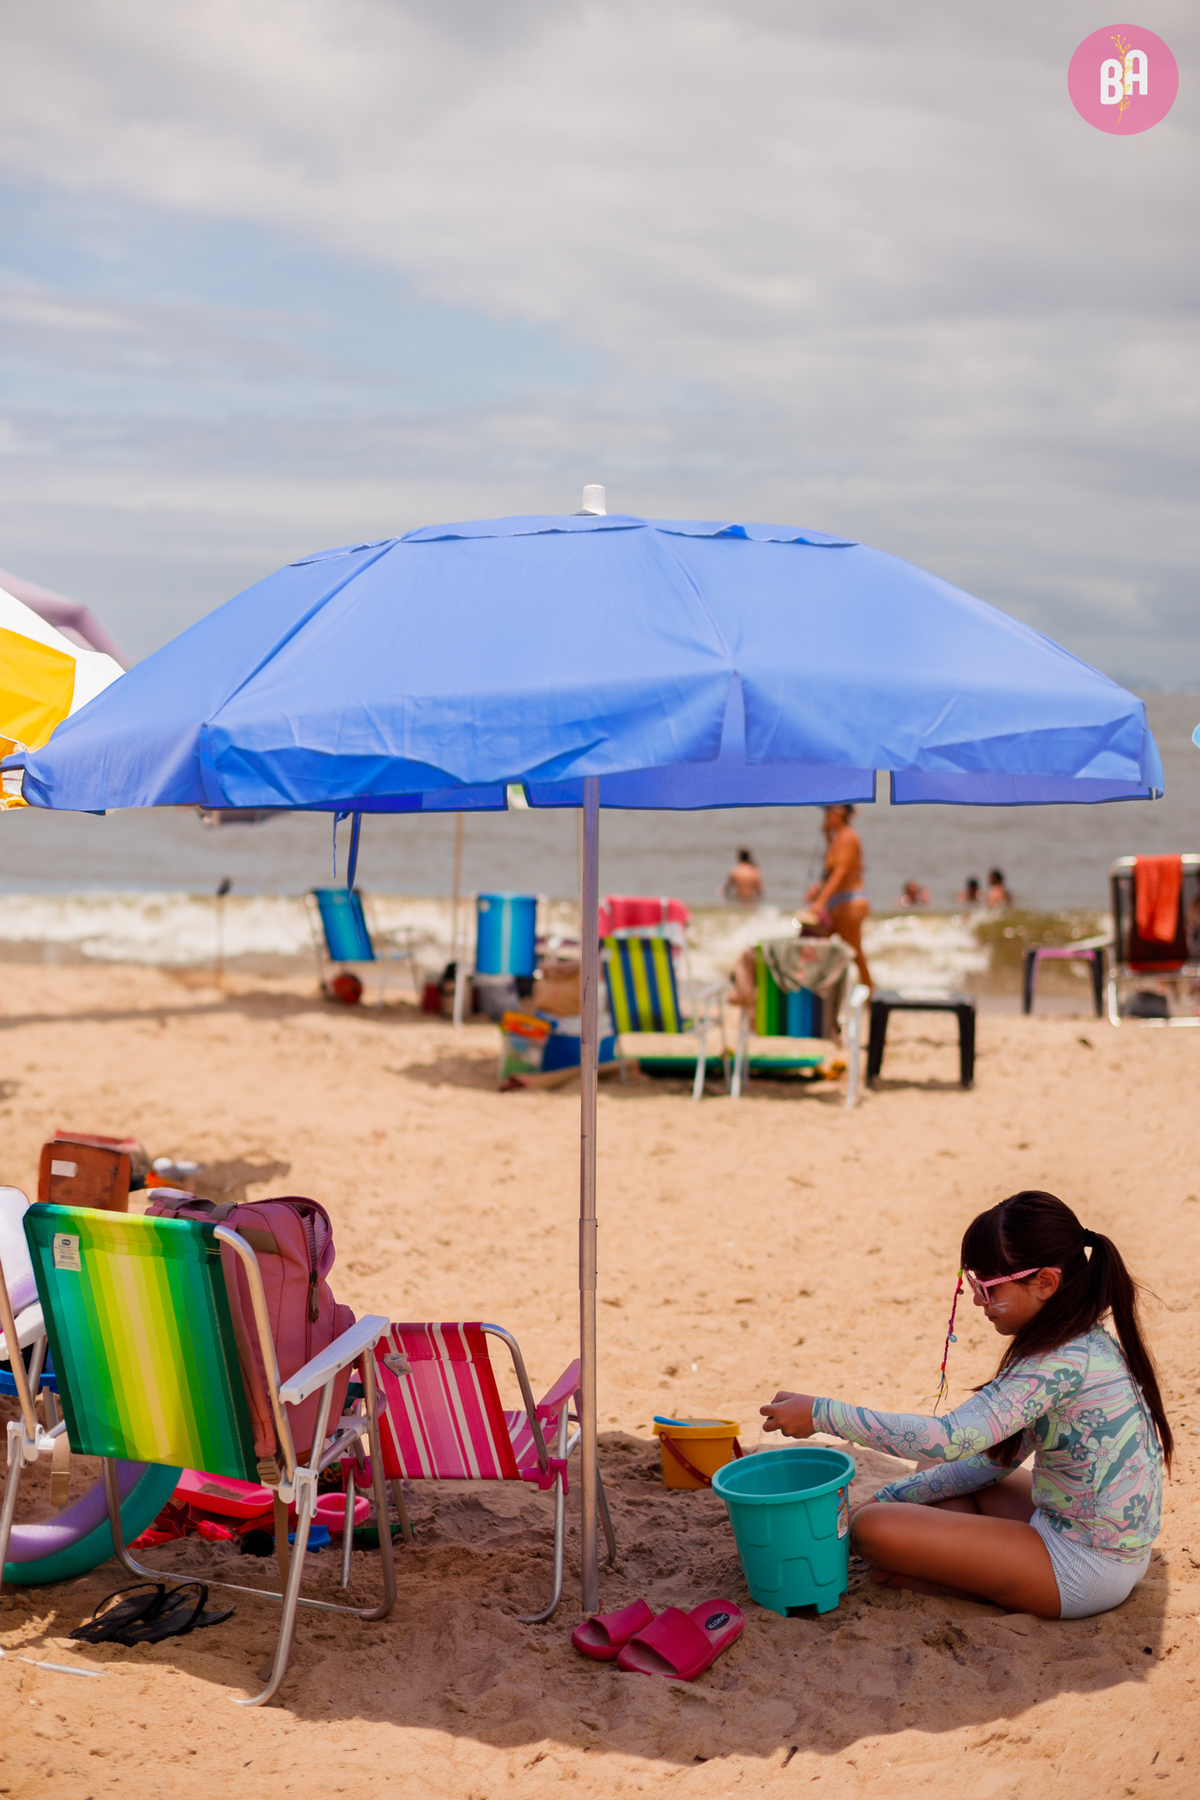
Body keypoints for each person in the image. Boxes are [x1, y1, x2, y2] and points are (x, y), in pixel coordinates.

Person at [759, 1191, 1171, 1621]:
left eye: (987, 1287)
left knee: (870, 1529)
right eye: (972, 1284)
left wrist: (823, 1414)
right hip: (1088, 1537)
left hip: (1084, 1568)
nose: (977, 1300)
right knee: (926, 1481)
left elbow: (947, 1440)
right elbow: (994, 1462)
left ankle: (978, 1584)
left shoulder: (1057, 1363)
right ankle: (971, 1572)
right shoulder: (1079, 1340)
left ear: (1046, 1283)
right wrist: (888, 1495)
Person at [807, 804, 871, 990]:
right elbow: (830, 869)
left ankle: (870, 997)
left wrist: (819, 903)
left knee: (855, 954)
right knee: (820, 947)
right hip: (839, 903)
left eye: (828, 811)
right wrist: (827, 835)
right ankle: (821, 992)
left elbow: (840, 873)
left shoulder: (848, 837)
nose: (825, 816)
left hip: (850, 901)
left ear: (839, 813)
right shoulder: (837, 838)